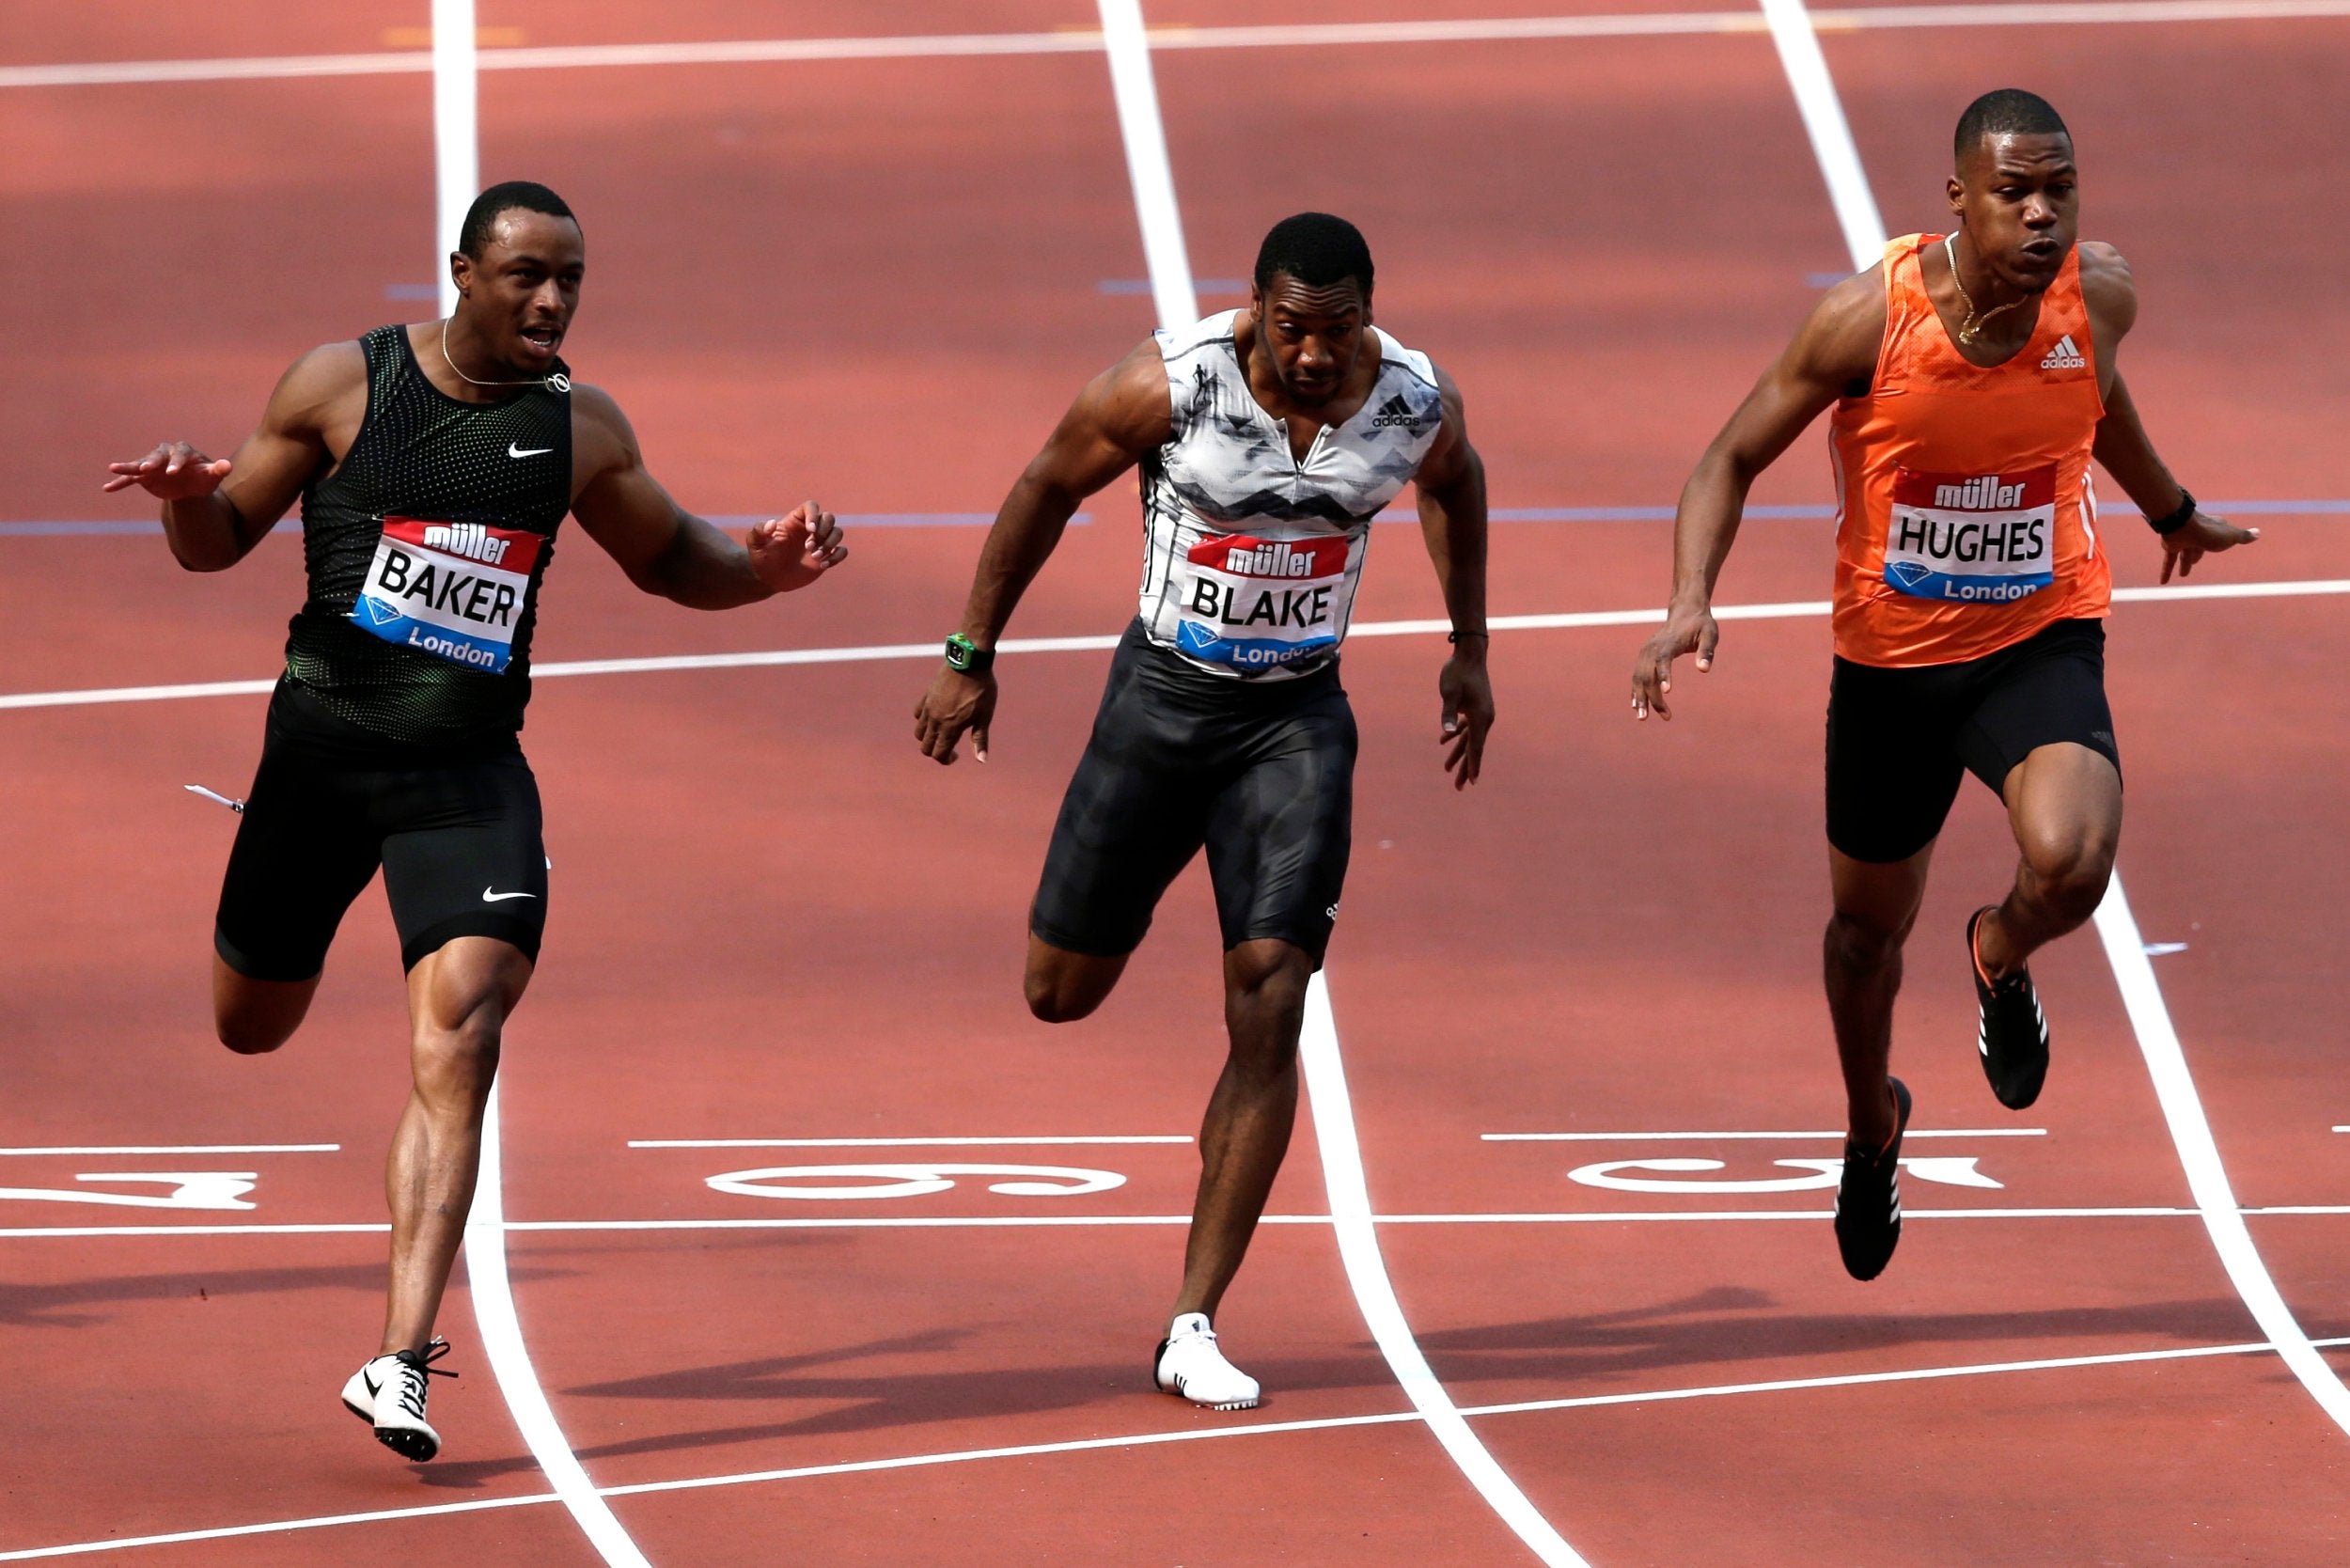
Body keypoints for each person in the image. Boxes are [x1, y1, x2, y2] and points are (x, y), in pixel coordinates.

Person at [102, 181, 848, 1461]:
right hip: (320, 761)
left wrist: (763, 574)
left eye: (569, 280)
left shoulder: (580, 429)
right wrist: (184, 493)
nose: (551, 300)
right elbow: (217, 541)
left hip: (466, 774)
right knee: (250, 1027)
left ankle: (397, 1359)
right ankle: (284, 926)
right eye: (525, 277)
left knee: (466, 1026)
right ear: (461, 272)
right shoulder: (343, 386)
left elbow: (676, 561)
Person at [1630, 90, 2256, 1281]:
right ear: (1956, 198)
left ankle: (1997, 953)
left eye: (2058, 190)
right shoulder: (1866, 319)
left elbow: (2096, 392)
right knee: (1864, 939)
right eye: (2013, 193)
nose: (2039, 215)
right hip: (1892, 669)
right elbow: (1728, 455)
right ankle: (1873, 1128)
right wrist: (1686, 601)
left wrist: (2167, 509)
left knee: (2073, 859)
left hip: (2038, 635)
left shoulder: (2099, 291)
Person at [914, 212, 1491, 1408]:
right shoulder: (1168, 385)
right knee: (1056, 993)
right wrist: (972, 653)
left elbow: (1457, 486)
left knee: (1273, 993)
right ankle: (1227, 1118)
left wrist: (1466, 649)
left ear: (1367, 317)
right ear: (1256, 310)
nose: (1318, 356)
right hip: (1159, 709)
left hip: (1295, 724)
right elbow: (1042, 486)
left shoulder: (1415, 401)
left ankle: (1193, 1318)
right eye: (1294, 330)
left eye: (1339, 331)